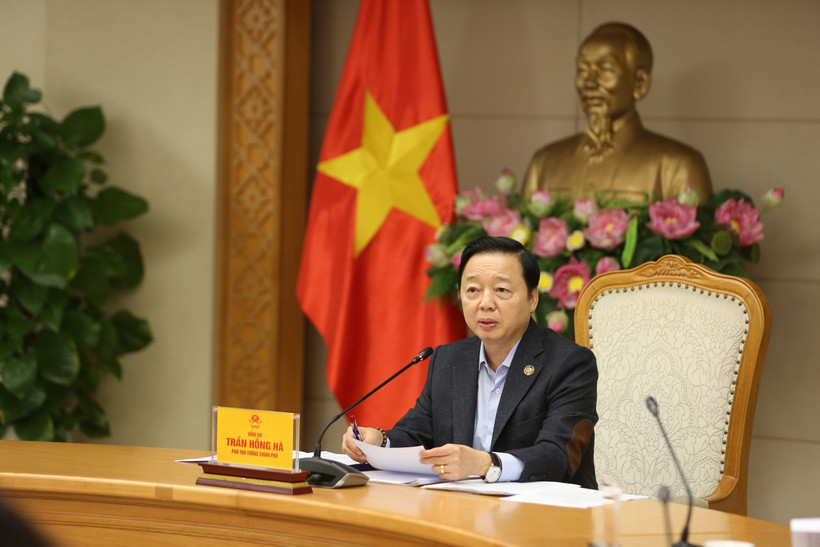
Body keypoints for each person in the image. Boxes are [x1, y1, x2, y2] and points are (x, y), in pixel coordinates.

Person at [342, 236, 598, 487]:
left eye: (501, 290)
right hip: (461, 511)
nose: (485, 303)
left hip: (546, 518)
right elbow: (417, 433)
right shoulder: (449, 360)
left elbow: (558, 456)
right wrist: (379, 442)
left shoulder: (570, 364)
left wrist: (486, 464)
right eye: (473, 290)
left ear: (532, 298)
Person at [523, 22, 713, 204]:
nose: (589, 82)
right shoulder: (544, 163)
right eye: (582, 70)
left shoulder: (679, 166)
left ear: (640, 83)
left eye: (605, 69)